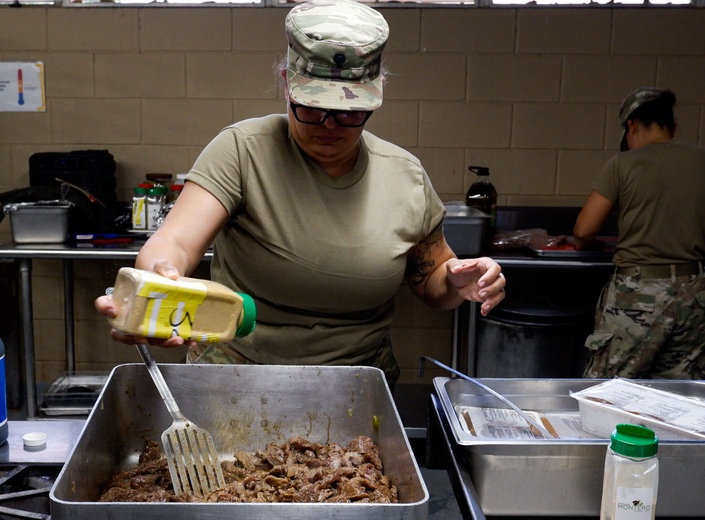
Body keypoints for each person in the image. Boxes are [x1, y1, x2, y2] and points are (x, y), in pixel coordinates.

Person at [94, 0, 506, 389]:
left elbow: (433, 280)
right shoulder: (243, 149)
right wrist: (162, 279)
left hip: (357, 382)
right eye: (311, 107)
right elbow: (175, 241)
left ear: (376, 96)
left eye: (349, 111)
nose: (329, 124)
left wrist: (461, 283)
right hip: (238, 375)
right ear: (286, 84)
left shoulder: (404, 176)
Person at [573, 87, 705, 380]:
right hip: (693, 291)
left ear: (631, 126)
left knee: (611, 388)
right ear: (673, 127)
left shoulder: (623, 163)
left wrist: (585, 244)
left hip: (639, 293)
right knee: (680, 396)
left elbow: (584, 229)